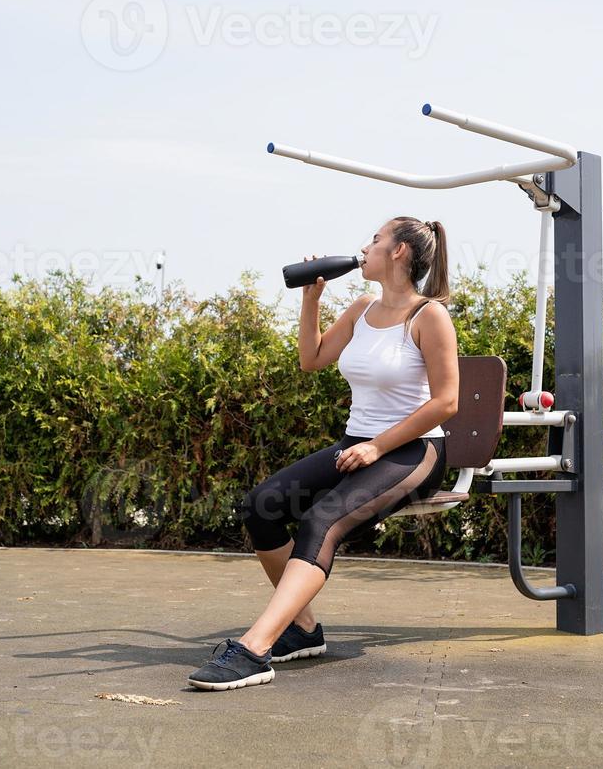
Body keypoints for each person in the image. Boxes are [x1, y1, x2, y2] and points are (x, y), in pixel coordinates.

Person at [188, 216, 459, 691]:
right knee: (262, 505)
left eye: (375, 239)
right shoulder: (360, 309)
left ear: (398, 253)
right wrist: (310, 301)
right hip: (357, 444)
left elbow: (446, 402)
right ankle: (303, 630)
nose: (365, 246)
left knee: (321, 521)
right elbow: (312, 359)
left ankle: (254, 650)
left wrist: (378, 446)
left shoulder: (428, 316)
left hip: (414, 452)